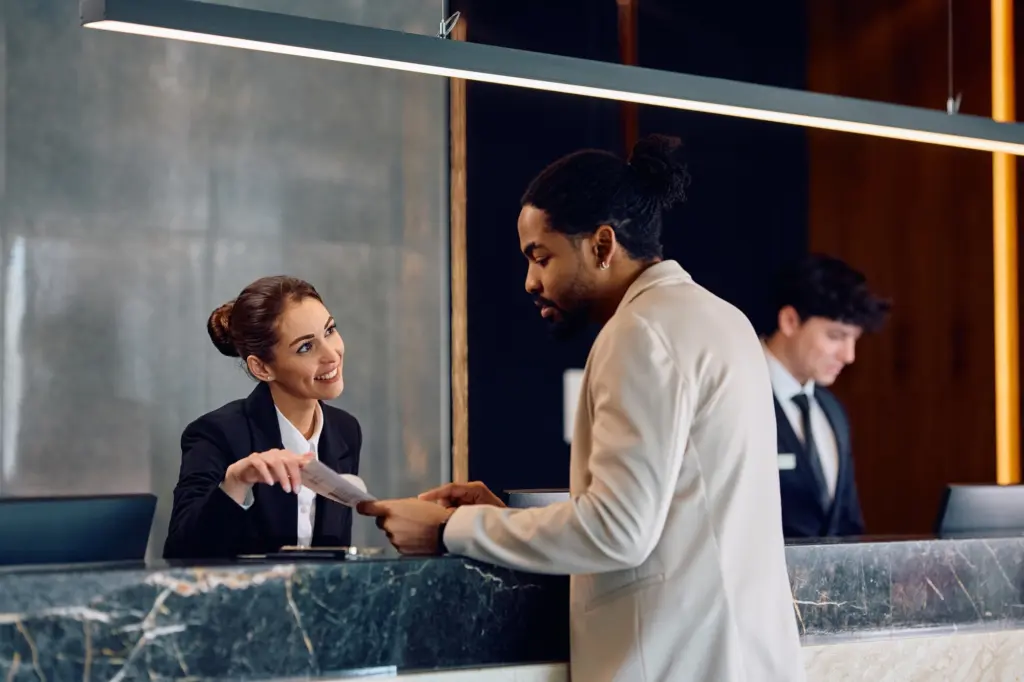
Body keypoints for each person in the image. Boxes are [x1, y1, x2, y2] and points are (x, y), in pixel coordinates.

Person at [359, 135, 805, 682]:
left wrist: (452, 528)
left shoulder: (638, 333)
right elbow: (669, 512)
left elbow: (618, 531)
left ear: (601, 245)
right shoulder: (722, 318)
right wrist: (507, 519)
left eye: (540, 257)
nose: (530, 282)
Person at [164, 275, 362, 559]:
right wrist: (235, 481)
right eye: (306, 347)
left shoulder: (345, 431)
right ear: (262, 368)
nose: (332, 355)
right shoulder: (215, 433)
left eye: (330, 331)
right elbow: (181, 553)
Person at [763, 254, 890, 538]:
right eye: (835, 336)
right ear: (790, 320)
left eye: (854, 339)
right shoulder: (736, 395)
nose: (849, 355)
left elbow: (847, 523)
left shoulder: (832, 410)